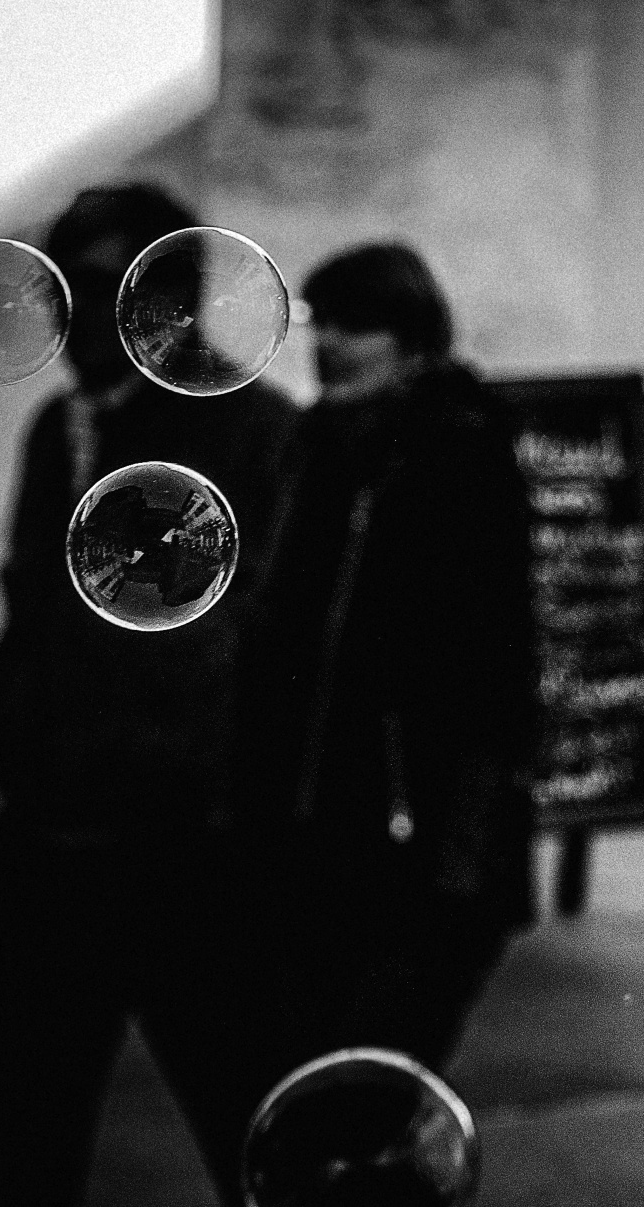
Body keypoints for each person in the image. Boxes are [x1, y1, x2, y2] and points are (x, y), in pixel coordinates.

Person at [0, 183, 299, 1207]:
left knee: (263, 1130)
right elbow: (33, 613)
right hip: (50, 841)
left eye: (96, 289)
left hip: (187, 856)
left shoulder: (256, 431)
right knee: (0, 1148)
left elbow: (255, 651)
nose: (69, 320)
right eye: (62, 291)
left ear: (166, 300)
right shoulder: (66, 427)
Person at [240, 242, 536, 1072]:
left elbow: (496, 661)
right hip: (310, 816)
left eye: (356, 324)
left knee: (379, 1066)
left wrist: (467, 842)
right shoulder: (313, 446)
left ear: (411, 336)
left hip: (414, 819)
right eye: (322, 321)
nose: (330, 342)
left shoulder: (459, 446)